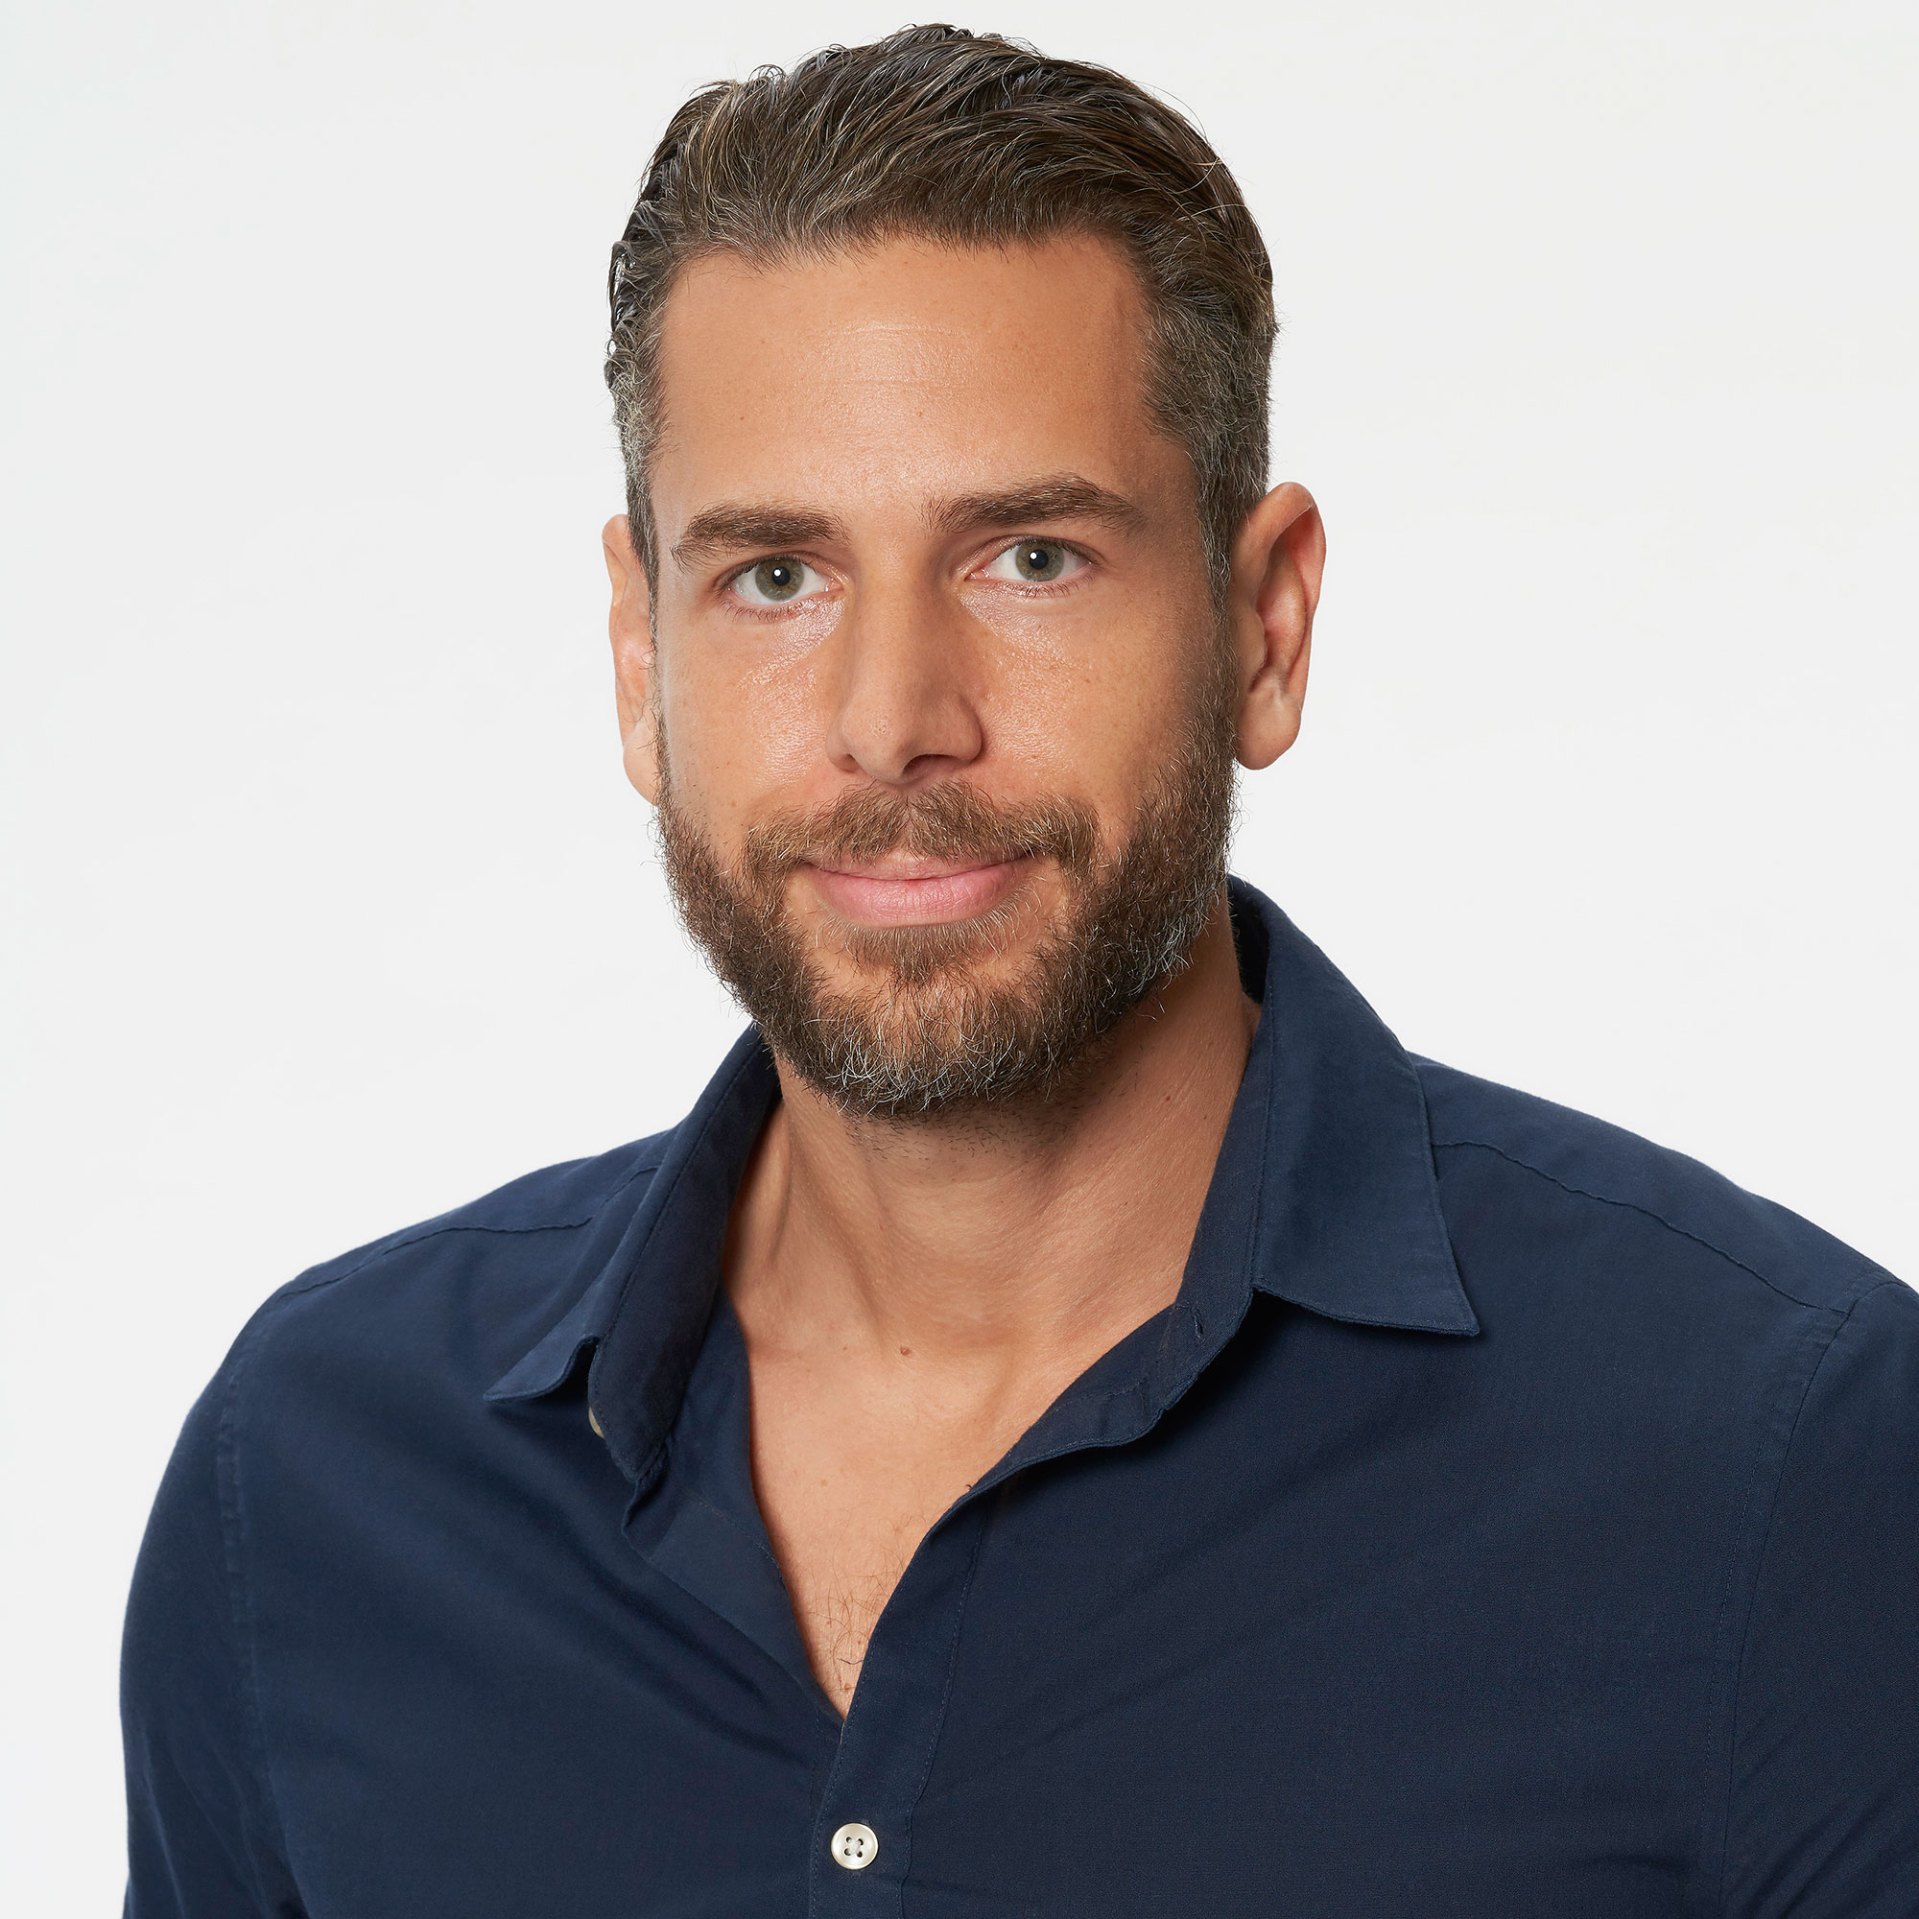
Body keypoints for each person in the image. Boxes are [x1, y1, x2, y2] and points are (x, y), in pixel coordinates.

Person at [118, 24, 1917, 1917]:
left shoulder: (1780, 1476)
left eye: (1031, 558)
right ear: (643, 660)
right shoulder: (315, 1481)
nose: (895, 721)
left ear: (1266, 626)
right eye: (777, 577)